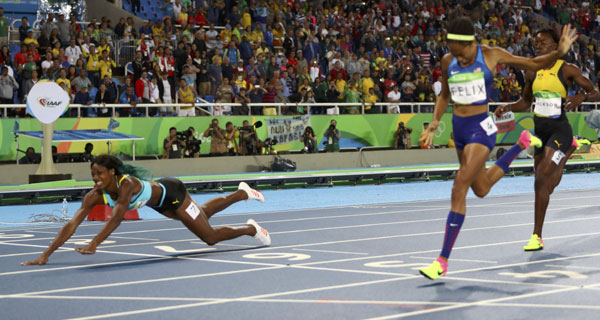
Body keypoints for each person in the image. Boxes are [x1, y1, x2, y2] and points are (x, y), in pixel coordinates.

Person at [418, 17, 577, 280]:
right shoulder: (448, 61)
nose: (457, 57)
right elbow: (445, 95)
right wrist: (435, 120)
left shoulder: (492, 55)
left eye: (460, 52)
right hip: (459, 130)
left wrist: (559, 52)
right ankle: (519, 145)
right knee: (480, 189)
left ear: (469, 44)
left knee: (459, 186)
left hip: (481, 130)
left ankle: (442, 260)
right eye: (451, 51)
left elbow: (533, 63)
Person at [21, 156, 269, 266]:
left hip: (173, 194)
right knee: (203, 213)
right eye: (92, 174)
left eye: (99, 174)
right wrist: (46, 254)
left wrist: (95, 241)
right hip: (161, 205)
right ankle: (242, 193)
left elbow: (118, 215)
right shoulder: (94, 196)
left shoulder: (126, 184)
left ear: (112, 173)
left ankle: (251, 228)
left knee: (209, 237)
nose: (95, 178)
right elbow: (71, 224)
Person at [494, 28, 600, 252]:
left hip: (560, 130)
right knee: (546, 185)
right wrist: (507, 107)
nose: (538, 45)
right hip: (540, 132)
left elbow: (595, 92)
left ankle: (536, 236)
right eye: (536, 42)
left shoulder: (568, 69)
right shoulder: (532, 72)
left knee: (541, 178)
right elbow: (525, 102)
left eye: (543, 42)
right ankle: (568, 151)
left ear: (554, 46)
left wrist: (581, 96)